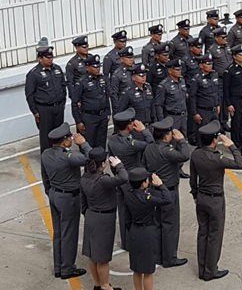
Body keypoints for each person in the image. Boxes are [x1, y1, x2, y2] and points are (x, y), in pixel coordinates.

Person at [189, 120, 242, 281]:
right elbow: (240, 164)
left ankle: (202, 269)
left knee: (203, 233)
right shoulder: (217, 158)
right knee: (214, 236)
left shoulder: (196, 154)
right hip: (215, 200)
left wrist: (195, 195)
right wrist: (231, 146)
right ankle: (210, 270)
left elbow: (193, 179)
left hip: (201, 197)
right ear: (214, 140)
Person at [41, 122, 91, 279]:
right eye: (69, 137)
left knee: (58, 233)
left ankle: (58, 267)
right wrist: (83, 144)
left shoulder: (46, 154)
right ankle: (67, 269)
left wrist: (50, 192)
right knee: (69, 233)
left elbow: (45, 177)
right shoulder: (68, 157)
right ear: (64, 141)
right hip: (69, 198)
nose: (71, 139)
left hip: (54, 194)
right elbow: (90, 158)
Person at [143, 117, 193, 268]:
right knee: (170, 225)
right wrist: (182, 141)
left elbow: (144, 166)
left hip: (154, 190)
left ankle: (158, 255)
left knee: (157, 223)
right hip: (169, 190)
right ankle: (169, 258)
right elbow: (185, 155)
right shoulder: (167, 151)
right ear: (166, 136)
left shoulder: (149, 148)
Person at [80, 147, 127, 290]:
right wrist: (119, 165)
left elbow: (83, 202)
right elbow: (123, 178)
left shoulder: (84, 177)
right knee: (102, 258)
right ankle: (106, 286)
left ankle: (97, 284)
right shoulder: (103, 180)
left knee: (92, 255)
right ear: (102, 164)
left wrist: (88, 213)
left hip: (91, 216)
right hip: (104, 220)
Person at [107, 108, 154, 250]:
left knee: (123, 213)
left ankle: (126, 242)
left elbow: (112, 161)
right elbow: (151, 145)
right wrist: (144, 130)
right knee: (138, 212)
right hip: (134, 180)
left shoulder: (112, 140)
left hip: (120, 179)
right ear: (129, 126)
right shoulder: (131, 143)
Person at [123, 168, 172, 290]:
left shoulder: (128, 194)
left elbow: (126, 217)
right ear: (143, 183)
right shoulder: (147, 198)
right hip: (147, 233)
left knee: (137, 269)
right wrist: (161, 185)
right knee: (148, 271)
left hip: (134, 231)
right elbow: (168, 199)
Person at [25, 43, 67, 165]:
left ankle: (60, 158)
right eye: (47, 57)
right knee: (46, 137)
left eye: (51, 57)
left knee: (59, 134)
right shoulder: (34, 74)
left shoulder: (57, 69)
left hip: (58, 107)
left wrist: (63, 103)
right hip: (44, 110)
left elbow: (63, 87)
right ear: (40, 58)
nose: (50, 59)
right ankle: (47, 162)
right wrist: (35, 112)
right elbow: (29, 95)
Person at [73, 54, 110, 149]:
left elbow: (106, 97)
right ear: (87, 67)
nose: (97, 69)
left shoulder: (103, 79)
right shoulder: (82, 82)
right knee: (89, 145)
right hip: (89, 117)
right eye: (94, 67)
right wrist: (78, 121)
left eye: (98, 66)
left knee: (101, 143)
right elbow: (75, 103)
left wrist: (108, 113)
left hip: (102, 116)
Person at [188, 53, 221, 146]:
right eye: (208, 64)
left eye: (211, 63)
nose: (210, 66)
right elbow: (192, 97)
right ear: (201, 65)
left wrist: (218, 104)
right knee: (203, 134)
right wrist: (195, 113)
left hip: (214, 110)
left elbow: (216, 92)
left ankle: (213, 151)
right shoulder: (197, 79)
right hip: (203, 111)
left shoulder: (214, 75)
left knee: (215, 132)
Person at [154, 59, 188, 136]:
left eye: (180, 69)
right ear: (170, 71)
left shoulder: (182, 80)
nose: (179, 71)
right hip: (172, 117)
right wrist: (162, 121)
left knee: (184, 138)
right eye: (177, 70)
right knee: (173, 138)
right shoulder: (164, 85)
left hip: (183, 116)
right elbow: (158, 104)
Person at [210, 27, 234, 130]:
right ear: (216, 38)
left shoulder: (227, 47)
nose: (225, 39)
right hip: (219, 79)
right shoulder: (212, 50)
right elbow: (210, 65)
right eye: (223, 37)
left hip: (229, 78)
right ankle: (219, 123)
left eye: (225, 37)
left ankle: (224, 121)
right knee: (220, 101)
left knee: (227, 100)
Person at [66, 35, 89, 100]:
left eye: (87, 46)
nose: (86, 48)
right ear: (77, 47)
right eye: (84, 47)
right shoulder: (72, 63)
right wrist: (75, 99)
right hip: (81, 94)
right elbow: (70, 83)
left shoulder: (91, 58)